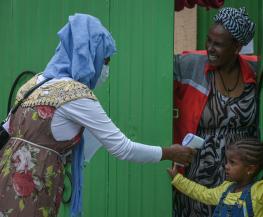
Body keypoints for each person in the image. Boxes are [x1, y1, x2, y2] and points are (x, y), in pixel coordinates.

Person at [0, 13, 195, 217]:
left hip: (5, 179)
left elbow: (10, 129)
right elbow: (123, 148)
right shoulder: (76, 95)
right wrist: (169, 153)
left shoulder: (36, 82)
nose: (106, 68)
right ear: (90, 56)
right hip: (32, 191)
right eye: (105, 60)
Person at [173, 7, 257, 216]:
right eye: (208, 40)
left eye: (218, 44)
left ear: (236, 47)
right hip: (198, 174)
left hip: (240, 178)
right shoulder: (190, 65)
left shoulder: (254, 73)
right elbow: (154, 71)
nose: (210, 48)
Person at [168, 135, 263, 217]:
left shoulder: (259, 190)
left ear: (250, 169)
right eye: (227, 161)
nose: (226, 166)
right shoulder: (225, 189)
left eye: (232, 163)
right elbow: (202, 193)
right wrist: (178, 179)